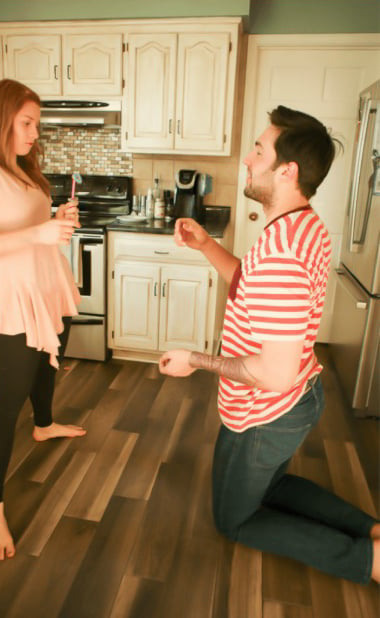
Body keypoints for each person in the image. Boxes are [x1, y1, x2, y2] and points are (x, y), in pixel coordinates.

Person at [159, 105, 380, 584]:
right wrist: (205, 245)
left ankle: (370, 560)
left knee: (234, 519)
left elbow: (273, 373)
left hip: (267, 408)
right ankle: (372, 531)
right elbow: (250, 281)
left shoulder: (282, 253)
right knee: (272, 483)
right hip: (297, 392)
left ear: (287, 170)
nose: (246, 159)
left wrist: (194, 360)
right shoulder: (299, 224)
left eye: (258, 150)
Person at [0, 79, 87, 561]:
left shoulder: (19, 166)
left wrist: (56, 215)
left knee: (50, 362)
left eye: (38, 123)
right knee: (6, 398)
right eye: (28, 122)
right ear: (1, 118)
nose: (36, 132)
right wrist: (39, 231)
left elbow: (28, 226)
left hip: (46, 285)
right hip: (13, 296)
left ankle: (45, 424)